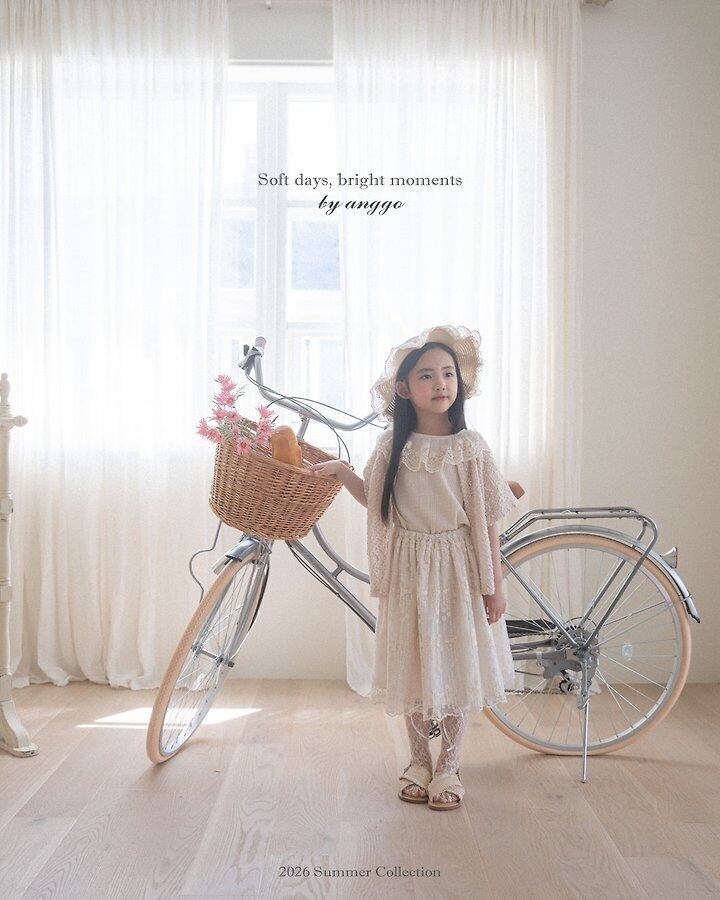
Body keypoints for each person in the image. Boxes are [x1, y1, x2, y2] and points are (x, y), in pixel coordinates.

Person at [311, 324, 519, 811]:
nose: (440, 383)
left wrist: (495, 583)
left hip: (457, 566)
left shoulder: (470, 446)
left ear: (460, 383)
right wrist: (342, 473)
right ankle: (418, 759)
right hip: (409, 566)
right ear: (405, 389)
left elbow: (488, 518)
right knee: (413, 661)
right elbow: (376, 501)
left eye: (448, 374)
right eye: (427, 376)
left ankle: (450, 762)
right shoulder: (392, 446)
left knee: (455, 662)